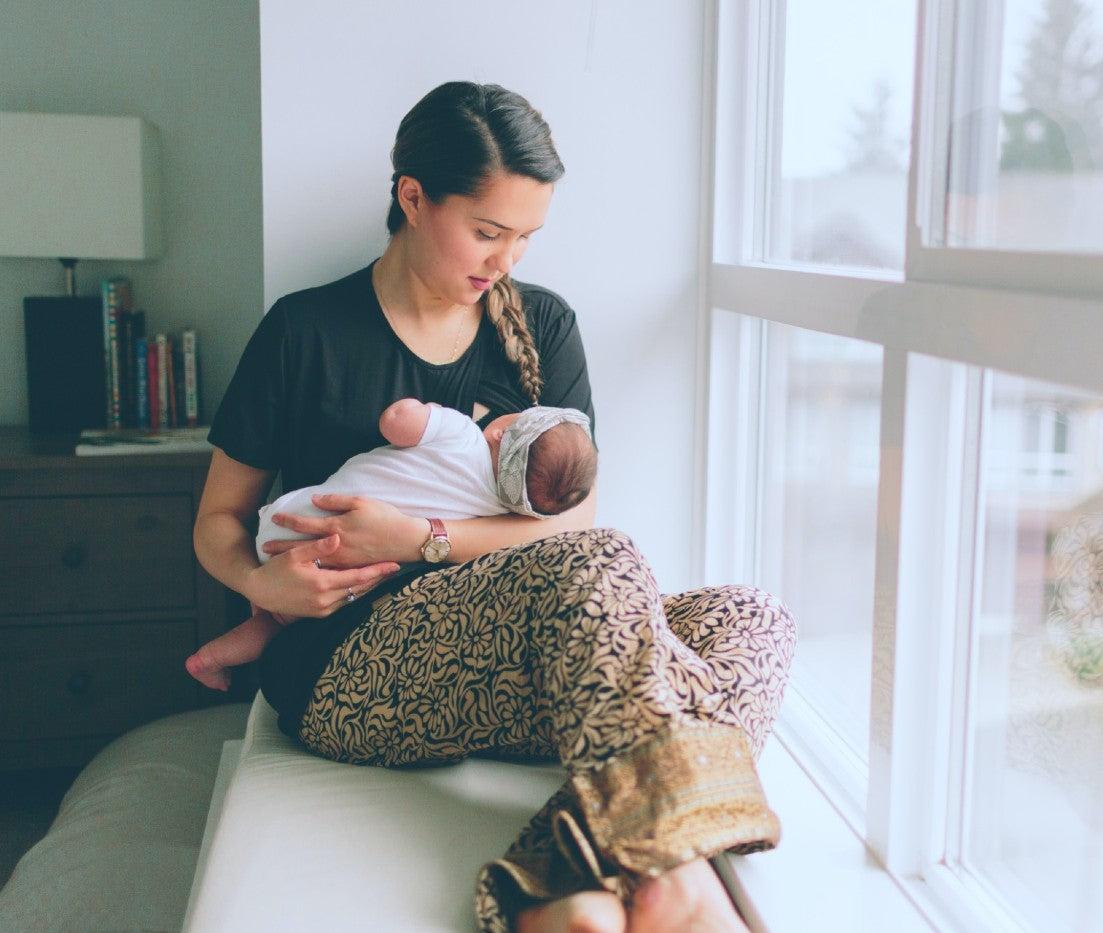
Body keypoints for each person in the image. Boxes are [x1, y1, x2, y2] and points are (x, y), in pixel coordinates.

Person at [192, 81, 795, 933]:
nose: (506, 259)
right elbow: (217, 520)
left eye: (526, 237)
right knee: (607, 563)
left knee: (752, 615)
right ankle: (676, 876)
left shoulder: (542, 326)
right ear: (412, 196)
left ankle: (561, 882)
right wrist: (266, 582)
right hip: (347, 658)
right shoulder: (305, 332)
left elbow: (570, 519)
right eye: (487, 231)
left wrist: (421, 537)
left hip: (531, 647)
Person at [185, 400, 596, 692]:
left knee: (289, 614)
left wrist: (419, 410)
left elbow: (395, 422)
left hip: (292, 526)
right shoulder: (492, 512)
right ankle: (215, 658)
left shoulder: (460, 434)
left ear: (502, 431)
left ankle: (218, 652)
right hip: (347, 576)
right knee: (279, 623)